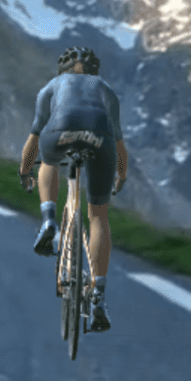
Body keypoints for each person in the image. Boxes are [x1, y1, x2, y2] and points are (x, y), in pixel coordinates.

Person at [19, 46, 133, 332]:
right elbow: (120, 145)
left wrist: (25, 170)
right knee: (98, 216)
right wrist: (121, 175)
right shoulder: (105, 89)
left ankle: (49, 220)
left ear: (64, 68)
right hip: (100, 139)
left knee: (49, 163)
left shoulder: (52, 86)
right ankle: (97, 297)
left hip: (59, 133)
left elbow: (33, 139)